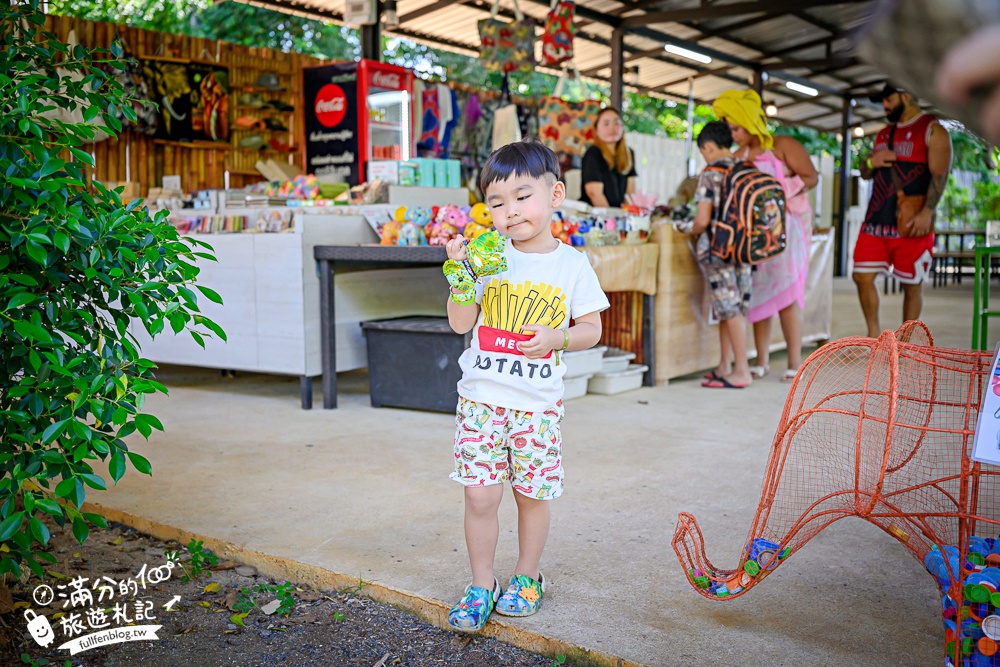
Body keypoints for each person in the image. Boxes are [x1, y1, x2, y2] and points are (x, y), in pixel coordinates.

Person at [443, 139, 609, 632]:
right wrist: (460, 277)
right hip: (480, 402)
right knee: (479, 496)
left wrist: (557, 337)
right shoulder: (486, 256)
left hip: (536, 408)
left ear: (555, 194)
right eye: (497, 202)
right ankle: (481, 584)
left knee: (532, 496)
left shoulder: (572, 265)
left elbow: (592, 329)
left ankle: (527, 575)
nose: (510, 211)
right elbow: (460, 323)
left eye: (522, 196)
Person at [713, 89, 818, 382]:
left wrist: (778, 193)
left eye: (735, 127)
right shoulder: (737, 156)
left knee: (785, 295)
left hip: (788, 230)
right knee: (759, 293)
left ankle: (795, 362)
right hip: (754, 235)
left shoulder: (784, 145)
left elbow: (811, 177)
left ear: (750, 121)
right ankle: (760, 360)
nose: (732, 134)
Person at [852, 83, 952, 337]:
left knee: (911, 284)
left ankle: (904, 342)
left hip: (911, 221)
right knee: (861, 276)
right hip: (875, 220)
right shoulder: (883, 134)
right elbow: (865, 172)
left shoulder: (933, 130)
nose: (884, 105)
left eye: (888, 100)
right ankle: (873, 335)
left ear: (905, 96)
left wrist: (927, 212)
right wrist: (871, 162)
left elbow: (939, 176)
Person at [688, 121, 754, 389]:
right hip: (746, 249)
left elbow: (703, 219)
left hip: (718, 250)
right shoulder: (747, 169)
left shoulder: (710, 173)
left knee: (730, 309)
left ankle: (742, 371)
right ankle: (725, 364)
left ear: (708, 147)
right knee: (733, 308)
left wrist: (690, 230)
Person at [580, 107, 636, 207]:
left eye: (616, 123)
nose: (612, 128)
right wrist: (612, 220)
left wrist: (627, 217)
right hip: (596, 216)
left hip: (619, 215)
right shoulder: (593, 153)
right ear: (596, 129)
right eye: (606, 124)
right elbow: (594, 194)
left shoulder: (629, 153)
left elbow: (630, 193)